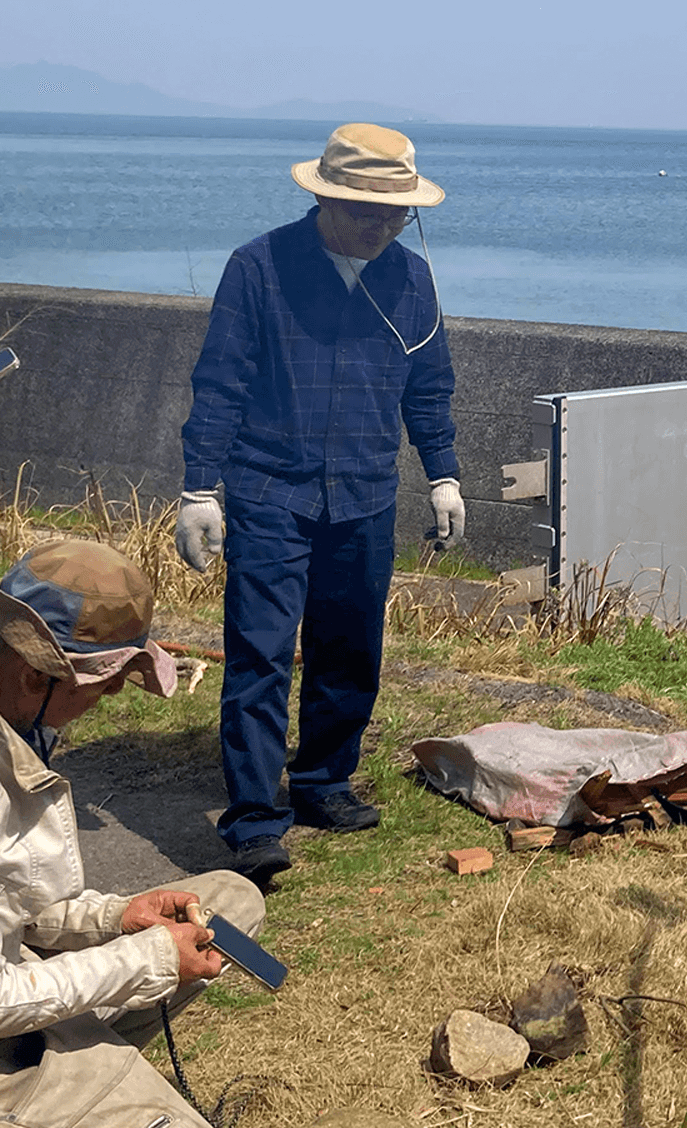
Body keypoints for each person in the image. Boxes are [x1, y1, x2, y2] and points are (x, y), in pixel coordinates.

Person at [176, 123, 466, 886]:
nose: (381, 226)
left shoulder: (411, 278)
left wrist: (444, 474)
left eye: (396, 213)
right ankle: (253, 821)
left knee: (351, 650)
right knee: (260, 657)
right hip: (271, 489)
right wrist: (199, 487)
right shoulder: (259, 268)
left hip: (367, 492)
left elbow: (428, 385)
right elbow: (220, 384)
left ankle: (323, 783)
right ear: (324, 199)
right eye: (366, 212)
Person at [0, 539, 267, 1124]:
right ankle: (78, 1080)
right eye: (106, 677)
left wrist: (117, 918)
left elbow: (18, 902)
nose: (117, 690)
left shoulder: (20, 717)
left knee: (231, 901)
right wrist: (146, 959)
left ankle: (93, 1062)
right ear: (30, 673)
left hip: (13, 962)